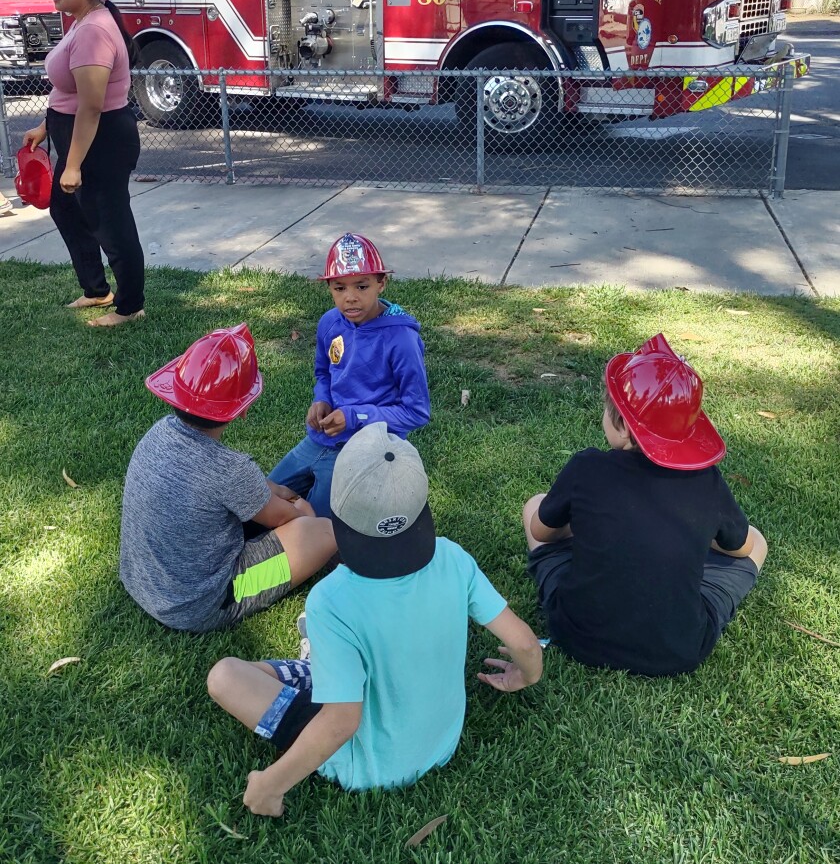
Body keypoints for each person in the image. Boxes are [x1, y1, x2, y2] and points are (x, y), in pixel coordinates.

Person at [208, 421, 543, 817]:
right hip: (441, 745)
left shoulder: (331, 601)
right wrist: (526, 675)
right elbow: (523, 642)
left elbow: (341, 723)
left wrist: (269, 785)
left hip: (361, 765)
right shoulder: (453, 557)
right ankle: (320, 662)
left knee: (225, 676)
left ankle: (316, 664)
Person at [523, 333, 768, 678]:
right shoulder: (706, 481)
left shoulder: (586, 467)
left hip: (578, 637)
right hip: (679, 649)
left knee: (535, 505)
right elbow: (741, 548)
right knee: (758, 540)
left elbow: (541, 532)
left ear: (622, 426)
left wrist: (583, 525)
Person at [120, 323, 337, 633]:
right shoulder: (230, 468)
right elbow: (287, 518)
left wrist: (276, 490)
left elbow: (252, 486)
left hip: (141, 582)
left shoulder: (158, 432)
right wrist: (300, 505)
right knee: (323, 532)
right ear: (243, 408)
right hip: (201, 605)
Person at [267, 233, 430, 518]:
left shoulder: (401, 339)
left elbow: (416, 412)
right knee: (263, 498)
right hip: (320, 439)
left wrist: (354, 416)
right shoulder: (330, 322)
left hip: (364, 450)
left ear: (382, 283)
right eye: (339, 287)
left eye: (362, 286)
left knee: (315, 526)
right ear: (329, 287)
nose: (350, 297)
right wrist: (321, 399)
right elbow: (324, 372)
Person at [22, 0, 145, 327]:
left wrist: (72, 164)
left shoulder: (92, 31)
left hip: (100, 140)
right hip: (78, 134)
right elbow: (71, 94)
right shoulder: (81, 21)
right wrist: (46, 126)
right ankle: (97, 290)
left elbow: (91, 106)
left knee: (109, 221)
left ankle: (129, 307)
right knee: (65, 208)